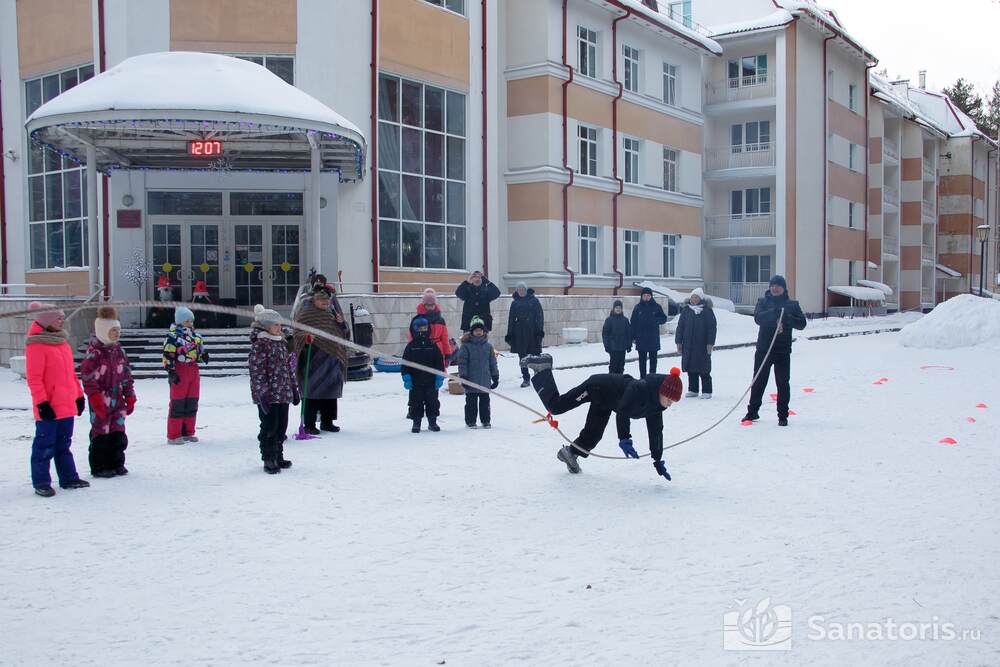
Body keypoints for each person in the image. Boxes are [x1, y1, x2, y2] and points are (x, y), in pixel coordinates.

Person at [521, 353, 682, 481]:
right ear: (662, 391)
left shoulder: (657, 406)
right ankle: (543, 369)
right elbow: (623, 411)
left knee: (594, 434)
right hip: (596, 387)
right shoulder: (640, 388)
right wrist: (624, 438)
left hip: (606, 401)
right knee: (556, 406)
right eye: (669, 399)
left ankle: (570, 453)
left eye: (672, 401)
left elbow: (656, 431)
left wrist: (657, 459)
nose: (669, 404)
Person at [24, 301, 90, 497]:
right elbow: (34, 379)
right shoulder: (36, 345)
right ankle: (41, 482)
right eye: (58, 318)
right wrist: (42, 403)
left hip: (66, 404)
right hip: (49, 406)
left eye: (62, 318)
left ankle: (69, 477)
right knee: (44, 446)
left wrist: (79, 396)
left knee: (64, 444)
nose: (62, 321)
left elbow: (71, 374)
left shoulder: (62, 342)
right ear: (46, 321)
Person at [743, 275, 808, 426]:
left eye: (778, 285)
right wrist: (774, 313)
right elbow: (758, 318)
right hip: (764, 350)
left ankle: (783, 415)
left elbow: (802, 324)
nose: (775, 288)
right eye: (772, 285)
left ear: (783, 288)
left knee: (783, 383)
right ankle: (752, 412)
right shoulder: (763, 302)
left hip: (782, 350)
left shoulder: (792, 304)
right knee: (758, 381)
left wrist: (786, 317)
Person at [79, 306, 136, 478]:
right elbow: (88, 378)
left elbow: (126, 375)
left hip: (117, 398)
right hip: (101, 399)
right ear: (103, 332)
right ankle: (100, 465)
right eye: (113, 330)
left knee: (118, 431)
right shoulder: (94, 354)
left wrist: (130, 395)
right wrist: (95, 398)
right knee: (101, 432)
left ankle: (116, 462)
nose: (117, 334)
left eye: (118, 330)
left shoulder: (119, 352)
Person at [293, 283, 349, 434]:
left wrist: (341, 324)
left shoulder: (331, 313)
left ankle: (327, 421)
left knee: (330, 392)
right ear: (314, 300)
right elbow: (297, 332)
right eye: (322, 299)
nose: (326, 302)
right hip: (313, 359)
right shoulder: (306, 313)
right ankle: (309, 424)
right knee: (312, 392)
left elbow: (343, 333)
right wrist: (306, 337)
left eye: (328, 300)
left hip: (332, 358)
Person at [249, 304, 298, 474]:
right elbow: (257, 371)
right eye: (276, 324)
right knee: (269, 426)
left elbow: (288, 368)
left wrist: (294, 388)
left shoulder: (281, 342)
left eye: (280, 324)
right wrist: (262, 394)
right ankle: (268, 457)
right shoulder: (260, 344)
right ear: (265, 326)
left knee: (281, 426)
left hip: (283, 393)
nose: (280, 328)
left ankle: (278, 454)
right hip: (268, 396)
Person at [163, 306, 208, 444]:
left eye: (191, 321)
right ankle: (174, 435)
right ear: (180, 321)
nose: (190, 323)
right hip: (180, 370)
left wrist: (203, 356)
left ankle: (188, 431)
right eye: (187, 321)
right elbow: (168, 354)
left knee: (192, 402)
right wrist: (171, 370)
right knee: (178, 402)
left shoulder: (196, 337)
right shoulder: (173, 337)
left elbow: (199, 353)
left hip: (193, 370)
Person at [401, 317, 445, 433]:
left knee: (432, 402)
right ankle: (416, 423)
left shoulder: (433, 345)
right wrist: (406, 378)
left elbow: (439, 362)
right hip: (416, 381)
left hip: (431, 381)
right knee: (416, 403)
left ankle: (432, 422)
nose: (423, 331)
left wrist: (439, 376)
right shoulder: (411, 346)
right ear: (415, 330)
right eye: (420, 328)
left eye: (425, 328)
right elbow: (405, 364)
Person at [456, 316, 499, 429]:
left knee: (485, 402)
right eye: (476, 330)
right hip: (471, 380)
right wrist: (463, 377)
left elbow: (492, 362)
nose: (478, 332)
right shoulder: (466, 346)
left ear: (484, 331)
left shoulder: (488, 347)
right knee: (471, 403)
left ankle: (486, 420)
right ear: (472, 332)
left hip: (484, 380)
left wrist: (495, 376)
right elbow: (462, 363)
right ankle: (470, 421)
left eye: (480, 330)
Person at [674, 288, 717, 399]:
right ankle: (693, 389)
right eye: (693, 297)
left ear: (701, 298)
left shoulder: (707, 311)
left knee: (704, 368)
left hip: (702, 345)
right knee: (691, 367)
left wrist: (710, 343)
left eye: (696, 297)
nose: (694, 299)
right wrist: (678, 341)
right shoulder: (686, 310)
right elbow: (680, 327)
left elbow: (712, 328)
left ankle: (707, 390)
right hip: (688, 345)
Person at [505, 281, 544, 387]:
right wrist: (510, 334)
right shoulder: (515, 303)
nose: (521, 291)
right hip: (519, 332)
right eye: (519, 290)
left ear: (526, 290)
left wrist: (539, 331)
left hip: (532, 331)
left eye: (523, 289)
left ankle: (538, 376)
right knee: (522, 356)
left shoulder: (534, 301)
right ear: (517, 291)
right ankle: (526, 378)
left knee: (535, 355)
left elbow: (540, 316)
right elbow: (511, 319)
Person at [292, 272, 350, 339]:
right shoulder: (305, 300)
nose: (319, 287)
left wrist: (340, 322)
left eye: (321, 284)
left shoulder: (331, 297)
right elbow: (298, 316)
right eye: (317, 284)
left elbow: (339, 314)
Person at [408, 288, 452, 369]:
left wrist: (448, 354)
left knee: (439, 374)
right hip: (423, 350)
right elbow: (412, 337)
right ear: (424, 305)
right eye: (428, 305)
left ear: (435, 305)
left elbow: (445, 338)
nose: (430, 307)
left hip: (438, 350)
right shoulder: (418, 320)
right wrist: (412, 352)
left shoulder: (440, 320)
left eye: (432, 305)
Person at [630, 286, 668, 378]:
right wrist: (633, 337)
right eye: (644, 295)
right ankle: (642, 379)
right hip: (641, 339)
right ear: (642, 296)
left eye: (648, 295)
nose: (646, 297)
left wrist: (656, 320)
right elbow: (633, 323)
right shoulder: (637, 308)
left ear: (651, 296)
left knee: (653, 361)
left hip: (653, 339)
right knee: (642, 362)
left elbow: (664, 318)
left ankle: (652, 378)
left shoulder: (657, 307)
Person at [601, 299, 631, 374]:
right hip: (613, 347)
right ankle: (611, 380)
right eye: (616, 307)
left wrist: (629, 345)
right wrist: (606, 345)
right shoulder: (609, 320)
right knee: (613, 366)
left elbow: (628, 334)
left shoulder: (625, 320)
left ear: (622, 309)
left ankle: (620, 380)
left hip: (622, 348)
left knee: (621, 366)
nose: (618, 309)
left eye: (620, 308)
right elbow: (605, 334)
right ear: (613, 309)